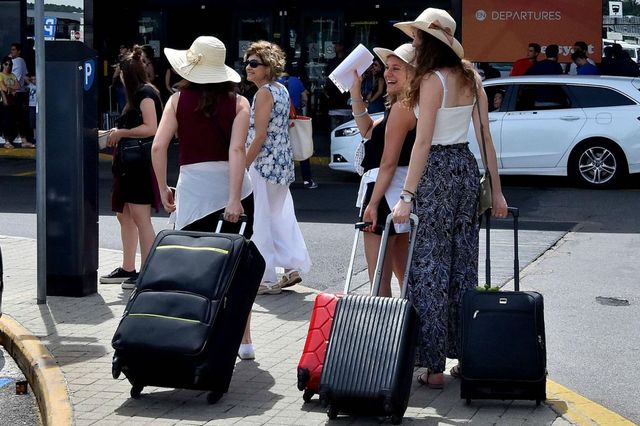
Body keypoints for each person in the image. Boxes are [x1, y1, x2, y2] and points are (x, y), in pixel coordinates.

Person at [393, 8, 508, 389]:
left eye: (417, 37)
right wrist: (498, 191)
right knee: (462, 266)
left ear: (429, 42)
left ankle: (431, 365)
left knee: (428, 267)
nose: (413, 41)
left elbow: (422, 142)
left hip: (437, 172)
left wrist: (407, 195)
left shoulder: (431, 80)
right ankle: (466, 353)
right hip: (464, 168)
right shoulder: (471, 77)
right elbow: (486, 138)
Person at [152, 36, 256, 360]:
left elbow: (158, 147)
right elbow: (237, 150)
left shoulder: (176, 101)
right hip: (235, 190)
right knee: (237, 269)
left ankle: (192, 336)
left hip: (193, 192)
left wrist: (162, 188)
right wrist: (234, 198)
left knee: (191, 270)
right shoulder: (239, 102)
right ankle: (245, 342)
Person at [243, 40, 311, 295]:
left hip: (264, 164)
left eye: (253, 63)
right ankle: (292, 268)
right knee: (280, 217)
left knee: (261, 220)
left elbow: (259, 135)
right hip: (281, 163)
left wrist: (244, 165)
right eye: (247, 63)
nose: (247, 67)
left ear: (268, 66)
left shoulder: (263, 93)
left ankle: (266, 277)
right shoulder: (280, 89)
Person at [350, 43, 416, 297]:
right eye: (387, 68)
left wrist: (373, 203)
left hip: (384, 191)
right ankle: (408, 333)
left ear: (413, 73)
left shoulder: (403, 107)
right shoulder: (403, 105)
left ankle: (385, 334)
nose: (388, 74)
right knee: (404, 276)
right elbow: (369, 130)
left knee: (379, 279)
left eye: (396, 69)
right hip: (399, 192)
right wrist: (356, 95)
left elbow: (388, 162)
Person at [100, 46, 162, 290]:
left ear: (127, 75)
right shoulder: (139, 94)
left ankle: (147, 271)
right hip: (128, 164)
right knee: (124, 214)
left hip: (139, 165)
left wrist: (122, 132)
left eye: (121, 75)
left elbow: (152, 127)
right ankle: (128, 267)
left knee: (140, 217)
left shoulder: (145, 94)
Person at [278, 63, 317, 189]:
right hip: (296, 118)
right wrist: (300, 106)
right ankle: (307, 180)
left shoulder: (275, 82)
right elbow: (305, 98)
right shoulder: (297, 81)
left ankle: (284, 179)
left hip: (280, 119)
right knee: (301, 145)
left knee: (282, 148)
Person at [0, 57, 19, 149]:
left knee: (12, 121)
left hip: (12, 101)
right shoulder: (1, 75)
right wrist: (12, 89)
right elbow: (3, 88)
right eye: (6, 64)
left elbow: (18, 86)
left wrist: (9, 89)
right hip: (3, 101)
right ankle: (6, 140)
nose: (8, 66)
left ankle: (10, 139)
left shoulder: (12, 75)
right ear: (2, 64)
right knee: (6, 121)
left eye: (10, 64)